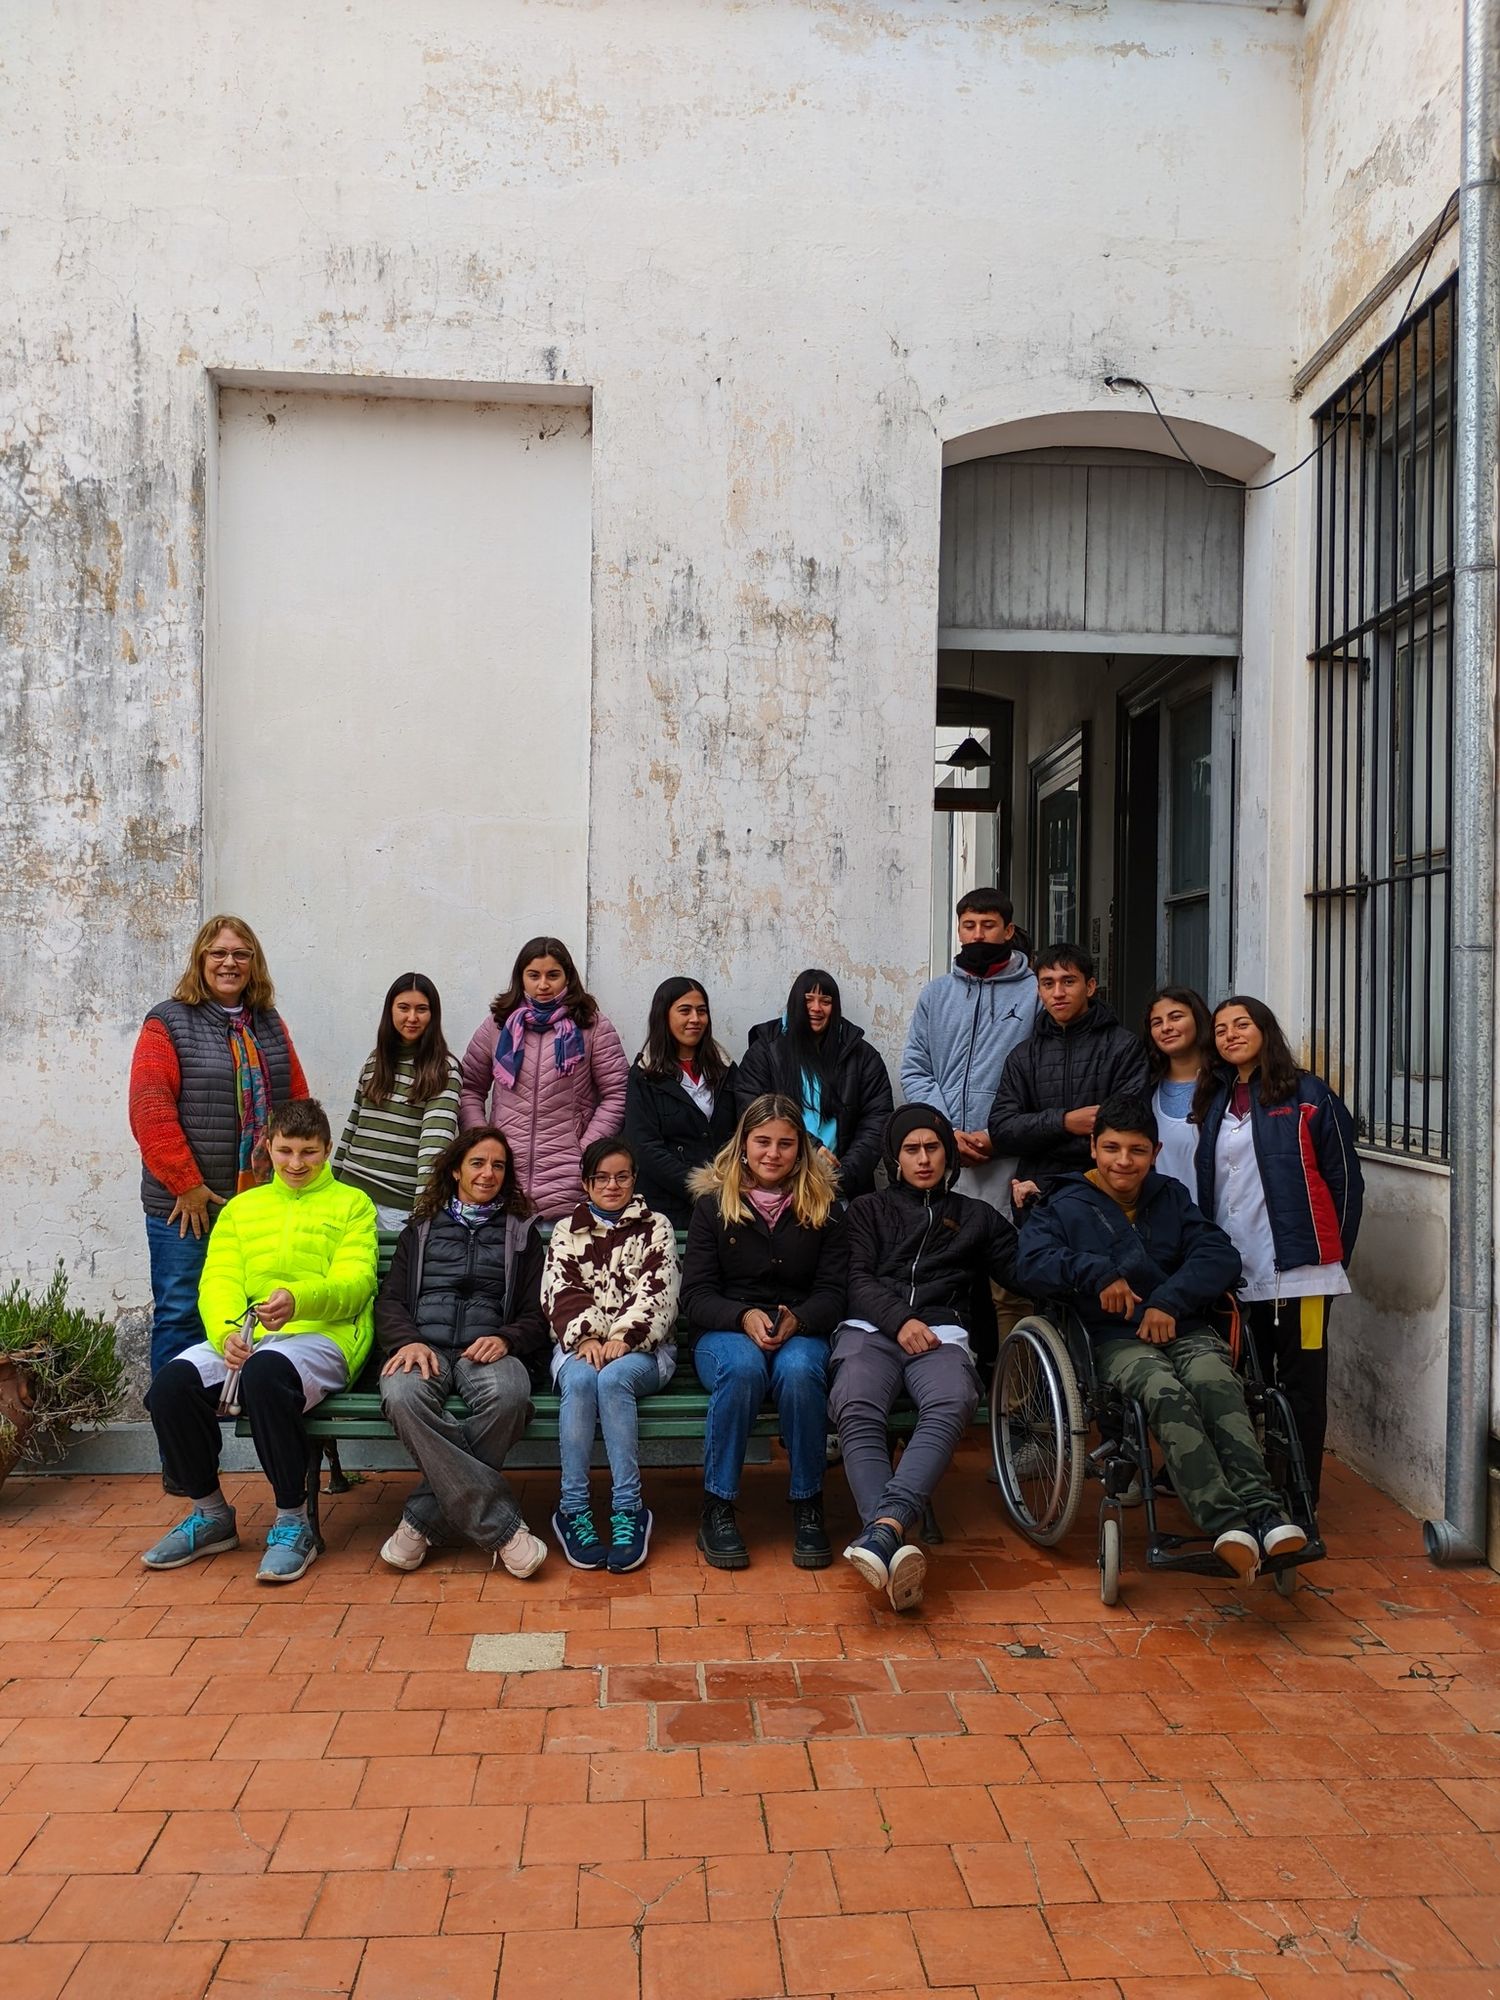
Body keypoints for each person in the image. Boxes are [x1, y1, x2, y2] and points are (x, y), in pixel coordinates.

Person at [1015, 1093, 1308, 1579]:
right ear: (1093, 1148)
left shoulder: (1169, 1196)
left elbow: (1218, 1255)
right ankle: (1225, 1521)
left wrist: (1167, 1301)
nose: (1122, 1161)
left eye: (1135, 1150)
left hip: (1182, 1328)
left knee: (1218, 1381)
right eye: (1111, 1148)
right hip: (1113, 1340)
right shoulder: (1063, 1204)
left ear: (1153, 1152)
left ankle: (1264, 1512)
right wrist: (1096, 1272)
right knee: (1164, 1391)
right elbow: (1031, 1264)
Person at [139, 1099, 376, 1583]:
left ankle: (294, 1522)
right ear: (268, 1146)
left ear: (327, 1150)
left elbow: (357, 1285)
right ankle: (210, 1515)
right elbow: (219, 1281)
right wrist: (226, 1333)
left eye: (308, 1153)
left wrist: (299, 1301)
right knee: (170, 1386)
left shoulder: (353, 1204)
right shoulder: (242, 1209)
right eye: (286, 1150)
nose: (295, 1164)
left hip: (323, 1336)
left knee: (266, 1375)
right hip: (247, 1334)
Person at [832, 1105, 1018, 1612]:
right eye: (911, 1149)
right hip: (871, 1329)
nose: (922, 1159)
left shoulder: (975, 1216)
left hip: (942, 1333)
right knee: (856, 1402)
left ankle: (882, 1530)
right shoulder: (867, 1210)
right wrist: (900, 1320)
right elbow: (856, 1279)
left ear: (947, 1153)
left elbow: (1027, 1267)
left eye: (932, 1147)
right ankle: (890, 1535)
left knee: (955, 1397)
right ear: (894, 1158)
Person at [1194, 995, 1364, 1506]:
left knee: (1301, 1386)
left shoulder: (1309, 1093)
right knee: (1249, 1382)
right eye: (1221, 1029)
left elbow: (1346, 1183)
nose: (1230, 1035)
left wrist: (1330, 1256)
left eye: (1241, 1024)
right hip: (1236, 1270)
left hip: (1305, 1274)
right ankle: (1256, 1489)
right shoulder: (1215, 1099)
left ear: (1265, 1029)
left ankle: (1299, 1495)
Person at [129, 915, 309, 1382]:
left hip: (254, 1205)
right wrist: (187, 1186)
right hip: (188, 1207)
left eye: (241, 954)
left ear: (254, 963)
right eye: (219, 953)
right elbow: (151, 1109)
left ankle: (231, 1417)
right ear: (201, 960)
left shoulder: (269, 1025)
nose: (230, 963)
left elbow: (297, 1107)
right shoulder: (167, 1022)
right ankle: (178, 1441)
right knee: (181, 1313)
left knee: (244, 1315)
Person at [681, 1093, 848, 1570]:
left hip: (800, 1329)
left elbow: (835, 1291)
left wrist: (802, 1319)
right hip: (726, 1333)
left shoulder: (825, 1205)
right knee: (743, 1368)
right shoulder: (714, 1205)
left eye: (785, 1143)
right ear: (743, 1145)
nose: (773, 1154)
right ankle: (718, 1506)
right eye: (762, 1142)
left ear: (802, 1149)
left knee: (799, 1372)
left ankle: (807, 1503)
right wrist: (741, 1316)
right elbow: (695, 1295)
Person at [375, 1126, 551, 1576]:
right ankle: (503, 1530)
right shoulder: (422, 1229)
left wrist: (507, 1338)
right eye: (477, 1162)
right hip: (423, 1349)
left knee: (511, 1396)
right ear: (455, 1170)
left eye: (498, 1165)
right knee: (401, 1395)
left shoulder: (521, 1234)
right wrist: (408, 1340)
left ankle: (420, 1520)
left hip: (488, 1351)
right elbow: (390, 1300)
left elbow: (538, 1312)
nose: (488, 1173)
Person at [543, 1138, 681, 1573]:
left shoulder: (655, 1224)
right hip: (578, 1347)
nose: (612, 1185)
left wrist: (624, 1336)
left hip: (645, 1350)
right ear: (586, 1183)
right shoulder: (568, 1229)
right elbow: (558, 1289)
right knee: (584, 1379)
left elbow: (660, 1288)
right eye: (601, 1177)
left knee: (613, 1377)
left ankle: (628, 1508)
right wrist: (586, 1338)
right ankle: (573, 1509)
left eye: (621, 1176)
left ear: (634, 1179)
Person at [458, 937, 629, 1222]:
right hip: (502, 1183)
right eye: (534, 975)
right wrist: (483, 1144)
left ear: (567, 977)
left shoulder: (592, 1026)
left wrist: (585, 1153)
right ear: (521, 978)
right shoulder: (498, 1025)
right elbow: (469, 1089)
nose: (543, 985)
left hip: (569, 1185)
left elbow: (617, 1095)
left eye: (553, 975)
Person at [900, 889, 1038, 1207]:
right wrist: (945, 1130)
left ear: (1008, 931)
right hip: (943, 1154)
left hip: (1006, 1157)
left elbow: (1041, 1076)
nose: (977, 934)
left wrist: (998, 1135)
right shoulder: (936, 994)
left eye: (988, 925)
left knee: (1001, 1249)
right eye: (969, 925)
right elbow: (915, 1068)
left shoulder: (1035, 994)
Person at [987, 943, 1149, 1213]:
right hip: (1037, 1197)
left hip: (1106, 1195)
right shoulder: (1024, 1055)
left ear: (1090, 986)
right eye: (1048, 984)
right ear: (1038, 991)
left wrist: (1036, 1135)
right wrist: (1064, 1122)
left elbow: (1126, 1128)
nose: (1058, 993)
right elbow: (1002, 1130)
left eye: (1069, 981)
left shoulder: (1123, 1047)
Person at [736, 969, 893, 1198]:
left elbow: (878, 1119)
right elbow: (750, 1109)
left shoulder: (863, 1056)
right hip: (775, 1191)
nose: (816, 1008)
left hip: (842, 1191)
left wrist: (841, 1176)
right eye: (808, 1000)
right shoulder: (765, 1051)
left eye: (825, 1001)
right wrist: (809, 1147)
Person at [333, 973, 462, 1229]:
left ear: (433, 1015)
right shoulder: (375, 1061)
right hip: (351, 1196)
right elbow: (352, 1128)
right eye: (404, 1008)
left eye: (421, 1009)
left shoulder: (443, 1069)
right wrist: (331, 1186)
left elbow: (435, 1146)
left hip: (399, 1207)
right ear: (390, 1011)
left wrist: (423, 1211)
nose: (412, 1018)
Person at [624, 978, 740, 1229]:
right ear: (663, 1016)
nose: (695, 1019)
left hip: (726, 1203)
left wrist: (727, 1183)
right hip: (665, 1210)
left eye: (702, 1011)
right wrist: (698, 1184)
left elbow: (743, 1131)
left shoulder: (726, 1069)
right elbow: (644, 1146)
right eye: (685, 1011)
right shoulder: (644, 1075)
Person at [1144, 986, 1215, 1198]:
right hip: (1167, 1220)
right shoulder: (1145, 1089)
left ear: (1198, 1019)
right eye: (1157, 1023)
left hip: (1222, 1221)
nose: (1166, 1028)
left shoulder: (1225, 1084)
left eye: (1176, 1017)